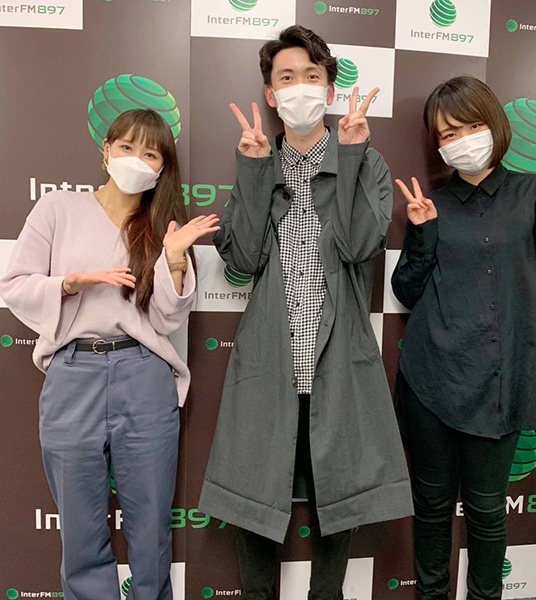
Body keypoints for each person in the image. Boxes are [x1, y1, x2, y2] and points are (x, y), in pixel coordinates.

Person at [198, 25, 413, 600]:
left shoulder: (366, 160)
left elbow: (359, 245)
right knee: (254, 492)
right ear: (271, 94)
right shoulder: (259, 159)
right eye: (286, 78)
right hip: (270, 357)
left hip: (336, 357)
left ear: (329, 88)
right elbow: (242, 257)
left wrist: (351, 154)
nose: (299, 87)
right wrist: (251, 172)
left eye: (311, 76)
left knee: (336, 495)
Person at [0, 108, 219, 600]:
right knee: (80, 531)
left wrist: (175, 260)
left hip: (144, 374)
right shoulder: (58, 208)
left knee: (151, 527)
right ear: (105, 150)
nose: (136, 160)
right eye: (126, 147)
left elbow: (165, 319)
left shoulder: (163, 225)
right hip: (72, 373)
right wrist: (70, 283)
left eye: (151, 154)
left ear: (162, 168)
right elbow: (14, 285)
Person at [392, 75, 536, 600]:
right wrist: (421, 233)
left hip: (501, 385)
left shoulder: (535, 191)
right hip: (431, 381)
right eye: (448, 133)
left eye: (471, 126)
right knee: (431, 508)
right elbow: (406, 290)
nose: (462, 140)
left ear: (495, 126)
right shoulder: (433, 203)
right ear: (438, 144)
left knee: (486, 510)